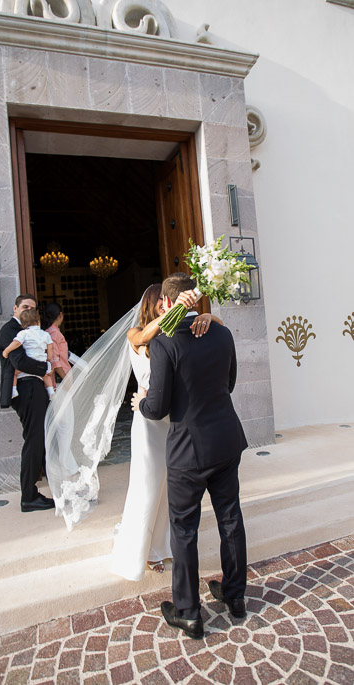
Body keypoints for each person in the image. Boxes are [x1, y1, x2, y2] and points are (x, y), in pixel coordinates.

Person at [133, 272, 248, 640]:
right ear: (193, 301)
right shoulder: (223, 333)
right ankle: (235, 597)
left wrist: (141, 405)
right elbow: (228, 384)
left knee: (184, 531)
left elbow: (158, 406)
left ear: (166, 304)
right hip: (227, 441)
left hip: (188, 453)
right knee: (231, 518)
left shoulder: (166, 343)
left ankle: (188, 613)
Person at [111, 284, 221, 581]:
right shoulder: (136, 334)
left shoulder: (173, 334)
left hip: (174, 420)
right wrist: (176, 311)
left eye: (166, 299)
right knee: (148, 484)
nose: (164, 303)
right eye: (159, 300)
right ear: (149, 304)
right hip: (147, 423)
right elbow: (146, 336)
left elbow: (216, 327)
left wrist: (207, 317)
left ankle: (164, 546)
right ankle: (142, 551)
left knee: (172, 485)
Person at [0, 294, 55, 512]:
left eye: (31, 308)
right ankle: (29, 496)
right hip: (26, 389)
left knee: (38, 438)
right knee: (34, 440)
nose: (27, 311)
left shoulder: (29, 331)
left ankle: (35, 490)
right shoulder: (10, 331)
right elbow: (19, 361)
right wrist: (46, 369)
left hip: (34, 387)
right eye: (24, 307)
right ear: (15, 308)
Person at [2, 307, 55, 400]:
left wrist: (6, 351)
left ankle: (14, 390)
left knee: (14, 372)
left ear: (23, 324)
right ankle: (51, 391)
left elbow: (16, 343)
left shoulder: (24, 333)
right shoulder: (45, 334)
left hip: (29, 360)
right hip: (41, 360)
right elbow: (50, 347)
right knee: (46, 375)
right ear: (38, 321)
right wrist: (48, 358)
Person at [42, 303, 71, 387]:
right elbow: (54, 360)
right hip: (61, 378)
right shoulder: (54, 333)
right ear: (60, 315)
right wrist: (65, 379)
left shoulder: (47, 331)